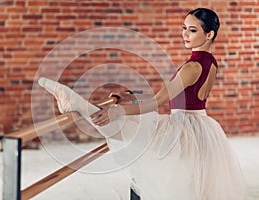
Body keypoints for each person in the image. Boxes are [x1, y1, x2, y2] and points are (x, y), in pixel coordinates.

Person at [39, 8, 246, 200]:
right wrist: (131, 98)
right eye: (184, 28)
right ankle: (76, 102)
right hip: (201, 127)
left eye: (192, 30)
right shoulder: (210, 63)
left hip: (183, 127)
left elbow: (158, 101)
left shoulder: (192, 66)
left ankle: (74, 102)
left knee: (124, 128)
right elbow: (182, 97)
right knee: (186, 185)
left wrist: (118, 110)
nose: (185, 34)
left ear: (209, 34)